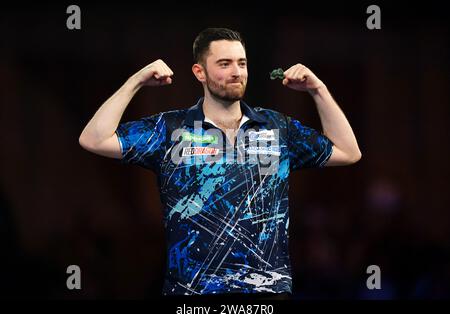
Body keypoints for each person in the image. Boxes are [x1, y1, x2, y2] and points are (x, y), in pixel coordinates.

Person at [79, 27, 361, 297]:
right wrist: (136, 81)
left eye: (242, 63)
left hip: (267, 292)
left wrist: (318, 89)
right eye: (224, 64)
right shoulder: (170, 129)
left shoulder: (276, 127)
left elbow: (348, 152)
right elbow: (94, 139)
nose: (236, 72)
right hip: (192, 293)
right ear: (199, 72)